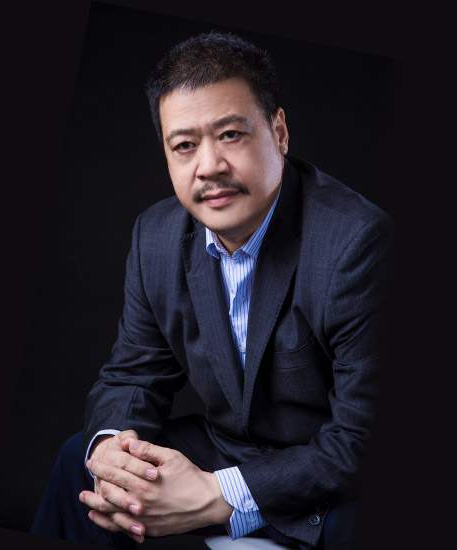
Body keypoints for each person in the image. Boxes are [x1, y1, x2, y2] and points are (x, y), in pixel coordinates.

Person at [31, 31, 393, 550]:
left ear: (279, 132)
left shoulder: (356, 242)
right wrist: (114, 449)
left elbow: (360, 441)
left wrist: (218, 494)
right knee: (81, 461)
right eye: (184, 146)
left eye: (230, 135)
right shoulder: (156, 237)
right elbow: (134, 374)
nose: (209, 167)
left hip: (326, 474)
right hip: (226, 448)